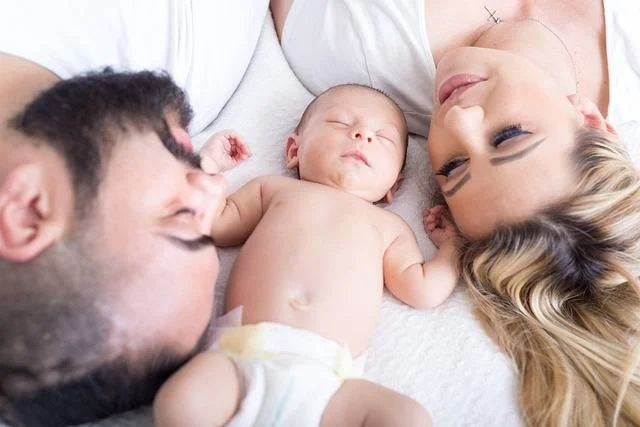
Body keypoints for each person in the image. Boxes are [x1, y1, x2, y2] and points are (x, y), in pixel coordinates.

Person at [271, 0, 640, 425]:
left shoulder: (356, 44)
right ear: (591, 121)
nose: (459, 120)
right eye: (509, 136)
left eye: (453, 167)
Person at [0, 1, 268, 424]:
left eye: (182, 217)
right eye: (210, 232)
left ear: (27, 210)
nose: (215, 188)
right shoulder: (198, 76)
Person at [153, 84, 458, 427]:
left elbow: (423, 288)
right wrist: (208, 164)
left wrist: (451, 248)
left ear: (393, 187)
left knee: (409, 418)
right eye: (341, 124)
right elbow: (216, 222)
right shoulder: (274, 190)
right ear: (294, 150)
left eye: (382, 138)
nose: (362, 135)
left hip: (328, 384)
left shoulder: (389, 227)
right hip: (242, 360)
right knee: (181, 402)